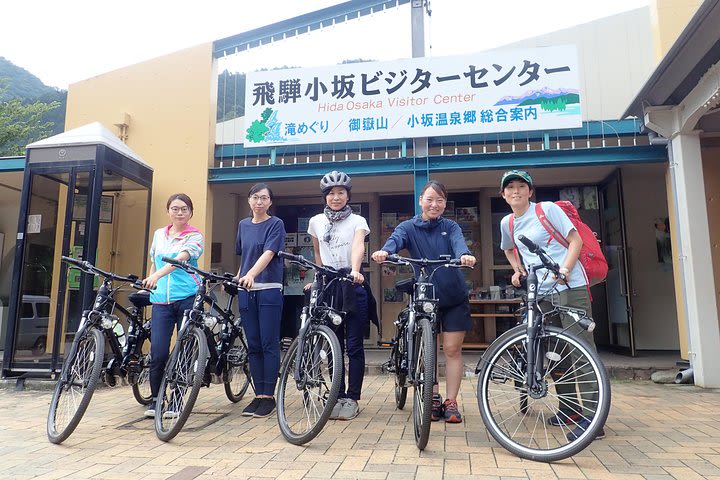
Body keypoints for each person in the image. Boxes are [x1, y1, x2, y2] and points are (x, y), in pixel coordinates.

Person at [498, 169, 604, 440]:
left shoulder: (546, 210)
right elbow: (509, 248)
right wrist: (517, 268)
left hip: (570, 288)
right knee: (555, 354)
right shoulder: (507, 223)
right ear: (503, 194)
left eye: (521, 186)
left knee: (582, 353)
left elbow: (575, 240)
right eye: (510, 188)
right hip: (540, 295)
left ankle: (594, 419)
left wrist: (566, 269)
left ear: (530, 191)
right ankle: (570, 409)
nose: (516, 191)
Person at [371, 180, 476, 424]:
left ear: (444, 204)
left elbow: (459, 245)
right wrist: (385, 252)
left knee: (451, 349)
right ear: (421, 201)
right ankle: (433, 396)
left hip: (453, 294)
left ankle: (451, 401)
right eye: (430, 199)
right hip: (425, 295)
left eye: (440, 200)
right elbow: (395, 240)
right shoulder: (408, 227)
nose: (434, 204)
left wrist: (464, 256)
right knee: (429, 349)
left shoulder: (451, 226)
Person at [307, 170, 371, 421]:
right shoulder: (316, 222)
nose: (336, 197)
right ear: (325, 196)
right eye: (331, 193)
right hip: (328, 285)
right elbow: (317, 253)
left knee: (354, 345)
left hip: (352, 284)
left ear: (348, 195)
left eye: (341, 193)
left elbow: (358, 246)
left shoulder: (358, 220)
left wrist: (355, 270)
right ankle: (336, 394)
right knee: (333, 345)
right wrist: (317, 279)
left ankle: (352, 397)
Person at [142, 193, 204, 418]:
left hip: (187, 296)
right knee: (158, 352)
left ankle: (177, 399)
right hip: (160, 301)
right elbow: (153, 261)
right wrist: (149, 284)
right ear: (168, 211)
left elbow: (180, 260)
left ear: (191, 212)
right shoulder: (159, 234)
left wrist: (156, 276)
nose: (180, 212)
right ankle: (156, 399)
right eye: (175, 208)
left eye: (184, 209)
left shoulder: (195, 235)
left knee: (183, 350)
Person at [234, 183, 286, 419]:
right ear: (249, 200)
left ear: (270, 202)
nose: (259, 202)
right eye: (255, 197)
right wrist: (239, 277)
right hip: (246, 290)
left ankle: (269, 396)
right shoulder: (243, 225)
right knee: (253, 344)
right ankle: (257, 395)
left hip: (268, 289)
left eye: (264, 198)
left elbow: (268, 253)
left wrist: (252, 275)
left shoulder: (276, 224)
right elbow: (245, 256)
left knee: (268, 343)